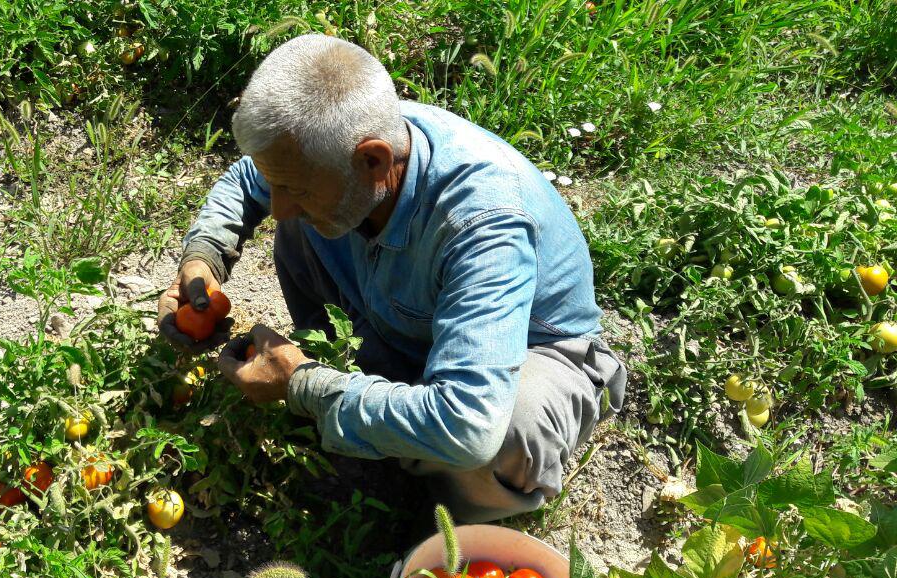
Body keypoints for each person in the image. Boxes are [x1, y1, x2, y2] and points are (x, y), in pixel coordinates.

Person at [155, 34, 626, 523]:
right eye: (278, 184)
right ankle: (381, 409)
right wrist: (204, 258)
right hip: (408, 317)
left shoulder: (484, 223)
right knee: (304, 218)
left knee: (509, 431)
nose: (277, 206)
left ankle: (434, 507)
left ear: (374, 160)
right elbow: (247, 180)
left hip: (522, 351)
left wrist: (303, 385)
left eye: (291, 187)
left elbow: (471, 424)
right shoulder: (334, 144)